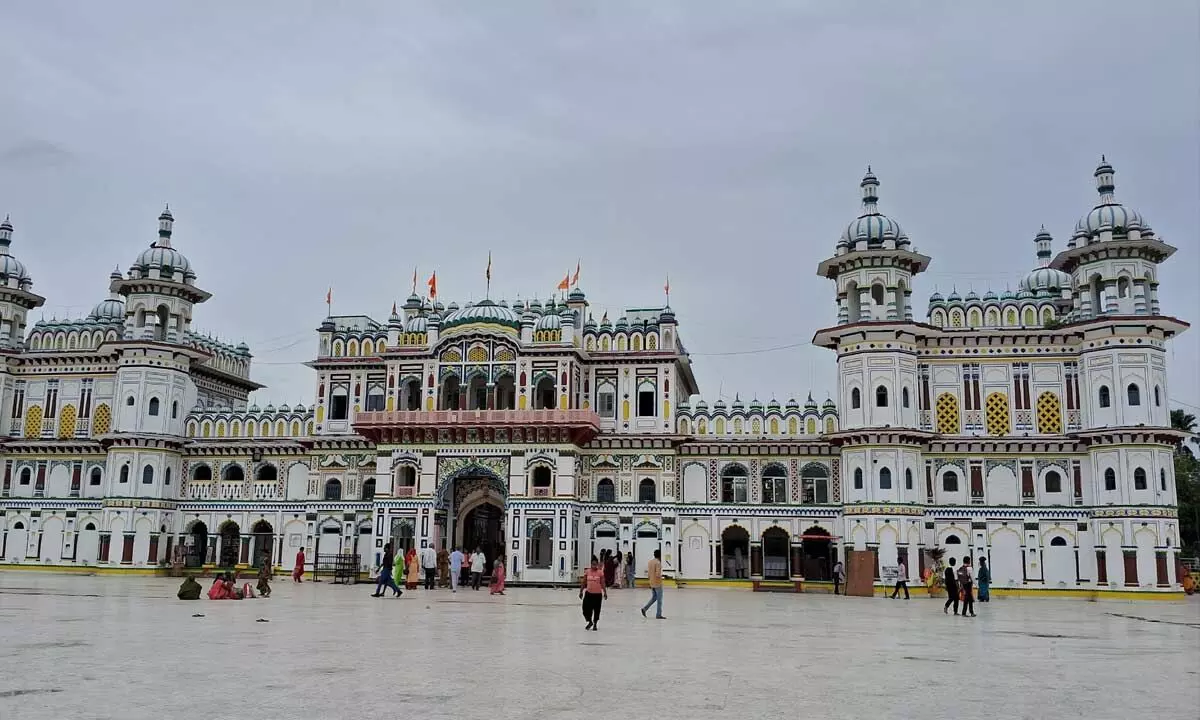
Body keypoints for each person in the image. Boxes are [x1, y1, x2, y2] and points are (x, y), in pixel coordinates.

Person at [580, 555, 608, 631]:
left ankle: (595, 623)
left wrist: (605, 592)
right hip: (588, 594)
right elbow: (584, 582)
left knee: (596, 610)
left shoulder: (600, 573)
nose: (594, 566)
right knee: (585, 609)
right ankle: (589, 621)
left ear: (597, 564)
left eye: (595, 564)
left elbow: (603, 583)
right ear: (591, 564)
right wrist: (581, 591)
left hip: (597, 595)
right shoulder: (587, 571)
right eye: (593, 564)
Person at [640, 549, 665, 619]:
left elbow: (649, 574)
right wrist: (662, 577)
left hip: (652, 582)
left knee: (654, 598)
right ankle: (658, 614)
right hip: (658, 583)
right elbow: (657, 574)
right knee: (659, 600)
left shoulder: (650, 562)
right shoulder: (658, 563)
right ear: (660, 555)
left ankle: (644, 609)